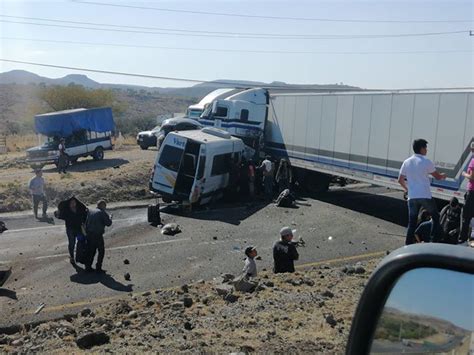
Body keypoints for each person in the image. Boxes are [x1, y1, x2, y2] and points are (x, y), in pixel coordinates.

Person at [398, 139, 446, 245]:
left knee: (412, 222)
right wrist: (443, 176)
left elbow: (400, 180)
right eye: (425, 148)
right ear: (421, 148)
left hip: (412, 197)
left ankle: (407, 245)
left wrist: (407, 189)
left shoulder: (407, 162)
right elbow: (437, 177)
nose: (426, 150)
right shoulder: (426, 161)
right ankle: (433, 241)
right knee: (436, 217)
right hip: (424, 195)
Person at [56, 196, 88, 265]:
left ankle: (80, 257)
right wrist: (57, 213)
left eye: (74, 203)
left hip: (79, 229)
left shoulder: (80, 209)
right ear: (69, 204)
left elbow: (85, 215)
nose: (73, 204)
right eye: (71, 203)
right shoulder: (66, 211)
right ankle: (72, 257)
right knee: (72, 244)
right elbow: (59, 216)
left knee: (81, 242)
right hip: (70, 230)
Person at [85, 200, 112, 273]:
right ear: (103, 206)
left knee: (91, 251)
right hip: (97, 235)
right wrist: (110, 217)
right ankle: (98, 267)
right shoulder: (102, 212)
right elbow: (108, 223)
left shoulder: (91, 211)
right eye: (105, 206)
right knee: (101, 251)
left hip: (89, 234)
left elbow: (86, 222)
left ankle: (88, 267)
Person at [460, 142, 474, 243]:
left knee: (466, 217)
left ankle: (463, 239)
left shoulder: (473, 161)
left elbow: (472, 177)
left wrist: (464, 173)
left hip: (472, 191)